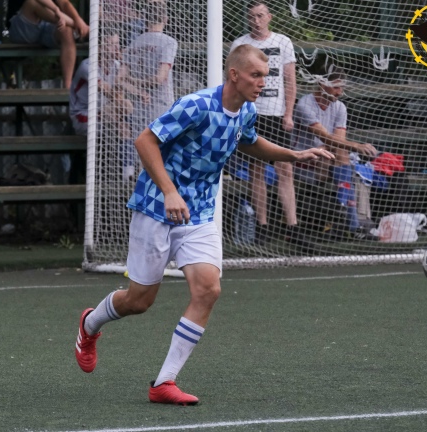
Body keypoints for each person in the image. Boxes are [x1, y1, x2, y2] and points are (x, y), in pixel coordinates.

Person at [74, 44, 335, 405]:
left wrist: (293, 154)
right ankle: (90, 324)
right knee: (139, 301)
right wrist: (169, 192)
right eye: (256, 75)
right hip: (156, 207)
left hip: (198, 214)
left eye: (266, 76)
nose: (263, 82)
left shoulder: (246, 110)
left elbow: (249, 142)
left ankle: (164, 382)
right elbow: (144, 140)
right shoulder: (196, 105)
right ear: (234, 75)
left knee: (208, 290)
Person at [229, 1, 299, 244]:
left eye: (260, 15)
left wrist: (288, 114)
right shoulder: (240, 44)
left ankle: (293, 227)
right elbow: (232, 81)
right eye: (252, 16)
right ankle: (262, 227)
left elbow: (290, 80)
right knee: (255, 170)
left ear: (269, 17)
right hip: (251, 114)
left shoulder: (283, 42)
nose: (256, 21)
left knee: (285, 168)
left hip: (277, 114)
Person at [292, 65, 378, 239]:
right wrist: (357, 146)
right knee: (340, 155)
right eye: (336, 87)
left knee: (342, 155)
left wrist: (333, 147)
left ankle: (344, 214)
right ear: (322, 84)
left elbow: (338, 141)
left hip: (328, 157)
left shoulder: (340, 107)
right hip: (302, 159)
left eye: (342, 87)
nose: (340, 92)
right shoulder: (304, 104)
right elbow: (327, 138)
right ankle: (349, 222)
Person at [69, 33, 149, 180]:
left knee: (124, 125)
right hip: (84, 116)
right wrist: (121, 88)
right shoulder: (88, 66)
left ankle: (128, 174)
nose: (116, 48)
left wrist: (140, 93)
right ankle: (138, 161)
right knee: (126, 108)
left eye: (117, 44)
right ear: (100, 47)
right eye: (112, 44)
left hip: (107, 113)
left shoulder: (116, 65)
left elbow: (124, 83)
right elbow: (108, 91)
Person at [122, 1, 178, 141]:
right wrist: (137, 82)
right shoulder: (169, 42)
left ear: (145, 18)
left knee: (141, 148)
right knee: (160, 149)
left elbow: (120, 79)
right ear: (166, 19)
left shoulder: (134, 42)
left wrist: (136, 89)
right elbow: (160, 78)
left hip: (139, 106)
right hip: (161, 105)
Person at [6, 0, 90, 89]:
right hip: (22, 28)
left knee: (67, 32)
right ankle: (82, 28)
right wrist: (57, 10)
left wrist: (78, 19)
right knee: (32, 3)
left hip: (46, 26)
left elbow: (65, 3)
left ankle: (67, 87)